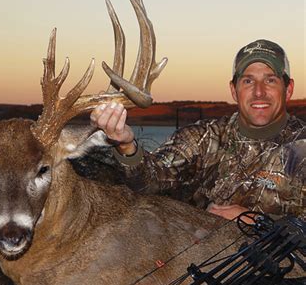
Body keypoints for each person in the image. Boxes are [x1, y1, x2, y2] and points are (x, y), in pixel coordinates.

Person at [90, 39, 305, 221]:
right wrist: (127, 145)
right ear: (234, 90)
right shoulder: (205, 137)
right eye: (248, 81)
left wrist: (258, 223)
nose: (259, 92)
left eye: (270, 80)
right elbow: (150, 181)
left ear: (288, 89)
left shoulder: (301, 147)